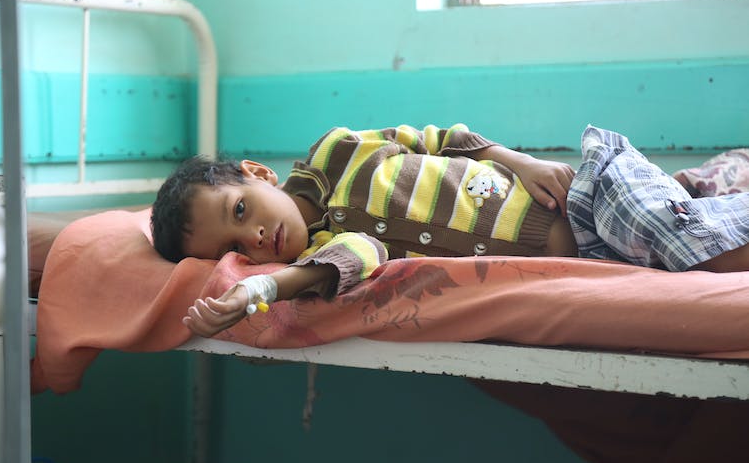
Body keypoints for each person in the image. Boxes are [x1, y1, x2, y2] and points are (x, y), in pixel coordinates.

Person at [151, 124, 749, 337]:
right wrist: (257, 292)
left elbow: (442, 138)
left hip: (587, 194)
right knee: (673, 238)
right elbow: (352, 258)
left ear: (257, 174)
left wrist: (524, 163)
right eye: (234, 249)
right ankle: (722, 178)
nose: (254, 238)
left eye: (239, 212)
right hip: (598, 248)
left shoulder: (339, 151)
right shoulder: (333, 248)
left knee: (686, 246)